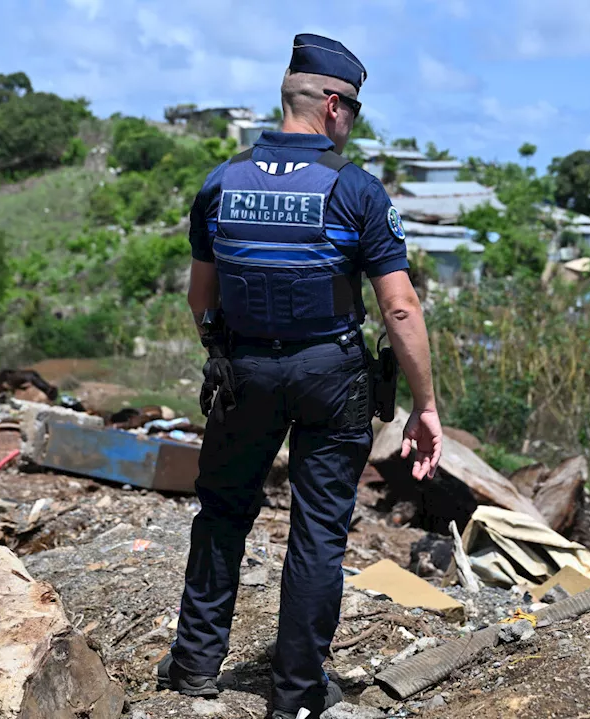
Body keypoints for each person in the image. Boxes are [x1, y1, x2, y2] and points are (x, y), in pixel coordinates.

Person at [158, 32, 443, 719]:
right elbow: (399, 305)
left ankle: (195, 665)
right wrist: (425, 404)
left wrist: (223, 353)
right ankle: (295, 694)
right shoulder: (355, 192)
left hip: (244, 369)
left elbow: (201, 297)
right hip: (330, 376)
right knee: (318, 533)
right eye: (356, 112)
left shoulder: (221, 183)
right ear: (335, 107)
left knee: (223, 513)